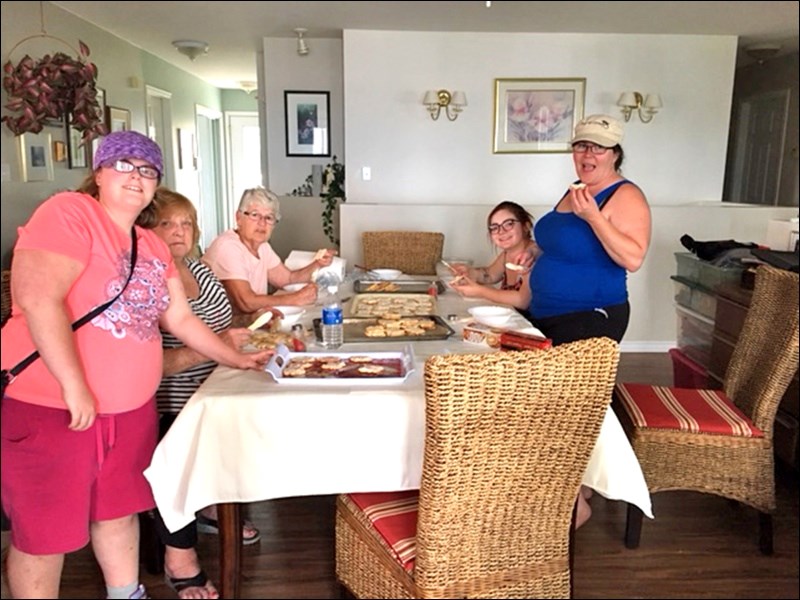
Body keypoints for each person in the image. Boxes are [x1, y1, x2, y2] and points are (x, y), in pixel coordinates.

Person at [0, 131, 272, 600]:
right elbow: (37, 298)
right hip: (56, 406)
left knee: (118, 512)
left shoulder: (151, 244)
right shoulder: (70, 213)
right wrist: (74, 385)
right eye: (123, 165)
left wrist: (239, 359)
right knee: (45, 535)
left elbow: (182, 319)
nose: (136, 176)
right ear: (99, 173)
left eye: (147, 170)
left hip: (129, 412)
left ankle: (126, 593)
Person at [138, 187, 270, 599]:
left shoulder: (198, 269)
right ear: (145, 229)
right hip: (169, 399)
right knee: (183, 447)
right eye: (166, 223)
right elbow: (152, 362)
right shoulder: (145, 278)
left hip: (217, 384)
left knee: (259, 419)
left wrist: (241, 341)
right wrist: (216, 348)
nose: (179, 232)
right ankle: (180, 558)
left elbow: (226, 325)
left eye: (186, 223)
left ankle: (215, 503)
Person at [527, 114, 652, 527]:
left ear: (615, 153)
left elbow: (632, 257)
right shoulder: (575, 191)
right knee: (538, 401)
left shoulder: (625, 195)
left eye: (597, 147)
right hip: (547, 312)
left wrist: (595, 218)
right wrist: (535, 251)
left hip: (591, 317)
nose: (587, 154)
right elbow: (565, 244)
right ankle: (544, 485)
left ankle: (576, 499)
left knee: (564, 407)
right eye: (581, 145)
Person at [202, 187, 336, 316]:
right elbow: (246, 302)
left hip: (252, 322)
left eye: (269, 218)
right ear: (239, 218)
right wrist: (294, 298)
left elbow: (287, 279)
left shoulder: (262, 246)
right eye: (255, 215)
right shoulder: (228, 246)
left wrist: (318, 264)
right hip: (223, 331)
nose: (262, 223)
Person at [448, 201, 538, 312]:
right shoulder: (507, 254)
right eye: (495, 227)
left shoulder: (533, 254)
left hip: (537, 325)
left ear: (526, 226)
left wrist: (479, 291)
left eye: (509, 224)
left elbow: (522, 301)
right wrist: (469, 272)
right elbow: (490, 275)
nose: (501, 231)